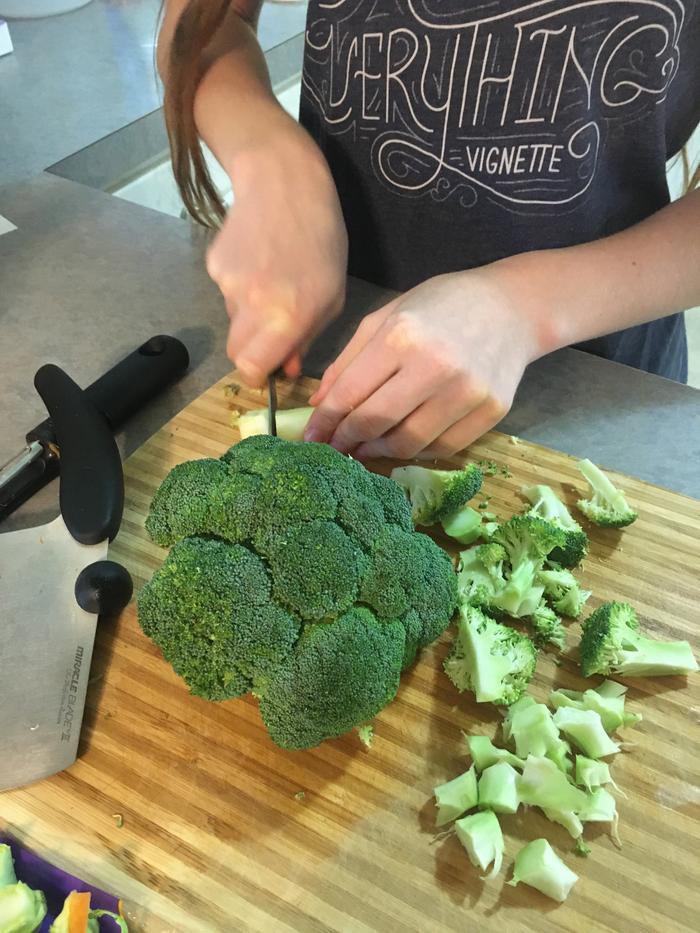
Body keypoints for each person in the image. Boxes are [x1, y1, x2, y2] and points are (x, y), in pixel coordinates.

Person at [158, 0, 700, 460]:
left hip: (599, 380)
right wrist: (275, 168)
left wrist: (530, 307)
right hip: (331, 347)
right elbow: (204, 25)